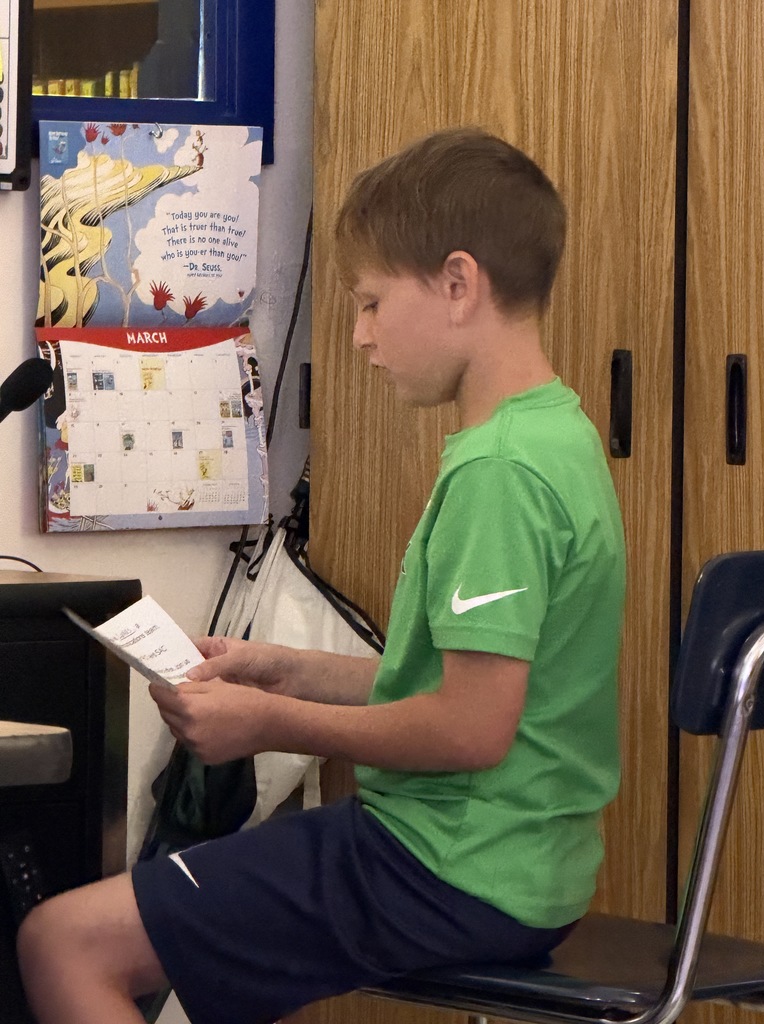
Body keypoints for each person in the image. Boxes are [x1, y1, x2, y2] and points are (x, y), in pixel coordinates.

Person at [16, 127, 626, 1024]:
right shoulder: (558, 434)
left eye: (372, 302)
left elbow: (469, 730)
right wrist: (286, 671)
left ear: (459, 284)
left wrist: (267, 724)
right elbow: (471, 690)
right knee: (158, 931)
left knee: (63, 942)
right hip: (519, 865)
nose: (360, 336)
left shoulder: (499, 472)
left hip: (445, 866)